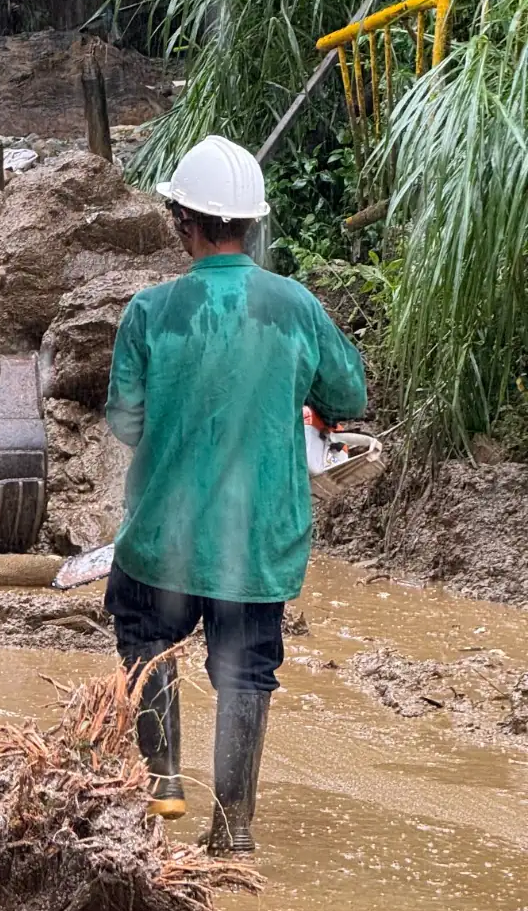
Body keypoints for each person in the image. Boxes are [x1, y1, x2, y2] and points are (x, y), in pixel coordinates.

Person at [104, 135, 367, 854]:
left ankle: (162, 786)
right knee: (247, 667)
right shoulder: (296, 307)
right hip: (257, 542)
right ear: (252, 225)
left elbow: (126, 421)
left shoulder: (151, 312)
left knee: (147, 637)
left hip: (165, 537)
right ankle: (235, 828)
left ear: (181, 221)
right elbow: (349, 392)